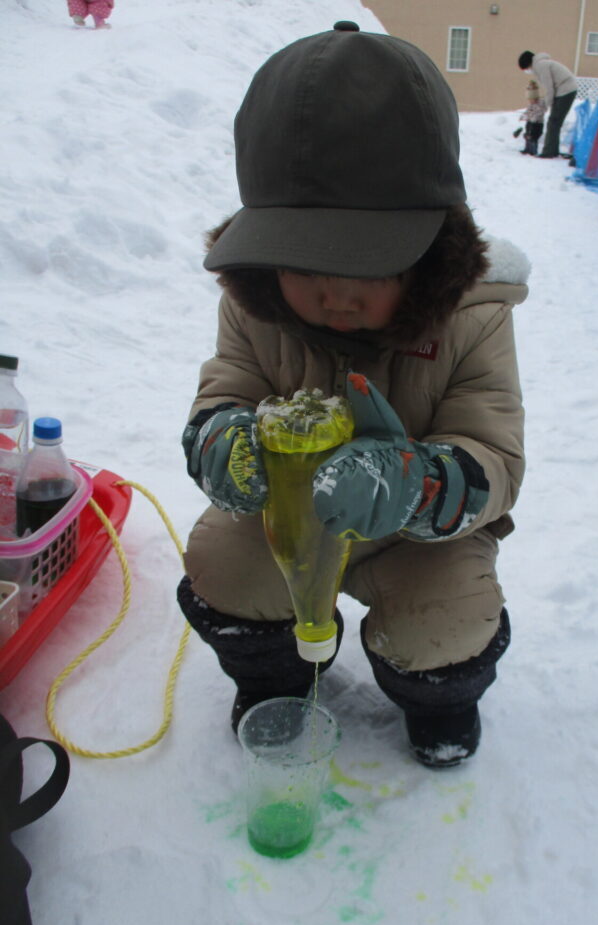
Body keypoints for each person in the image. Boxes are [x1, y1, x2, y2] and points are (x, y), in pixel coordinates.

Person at [178, 22, 529, 769]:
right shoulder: (254, 305)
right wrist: (221, 443)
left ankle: (440, 697)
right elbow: (227, 389)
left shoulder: (474, 317)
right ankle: (278, 678)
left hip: (419, 534)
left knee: (445, 625)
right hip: (288, 522)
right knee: (219, 558)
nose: (334, 292)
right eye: (306, 262)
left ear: (431, 249)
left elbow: (493, 454)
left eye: (367, 263)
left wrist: (422, 482)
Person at [518, 50, 577, 158]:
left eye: (526, 69)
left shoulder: (541, 66)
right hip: (563, 90)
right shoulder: (541, 64)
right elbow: (550, 88)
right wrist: (546, 102)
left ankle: (549, 152)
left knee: (554, 121)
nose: (527, 71)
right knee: (554, 121)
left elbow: (549, 88)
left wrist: (545, 106)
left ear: (528, 64)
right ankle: (552, 150)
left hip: (566, 90)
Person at [519, 79, 547, 155]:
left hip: (537, 124)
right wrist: (524, 116)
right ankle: (527, 148)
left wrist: (533, 118)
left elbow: (539, 113)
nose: (531, 101)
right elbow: (528, 111)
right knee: (527, 135)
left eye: (532, 99)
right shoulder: (531, 105)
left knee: (533, 137)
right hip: (530, 123)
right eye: (529, 100)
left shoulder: (541, 104)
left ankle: (533, 150)